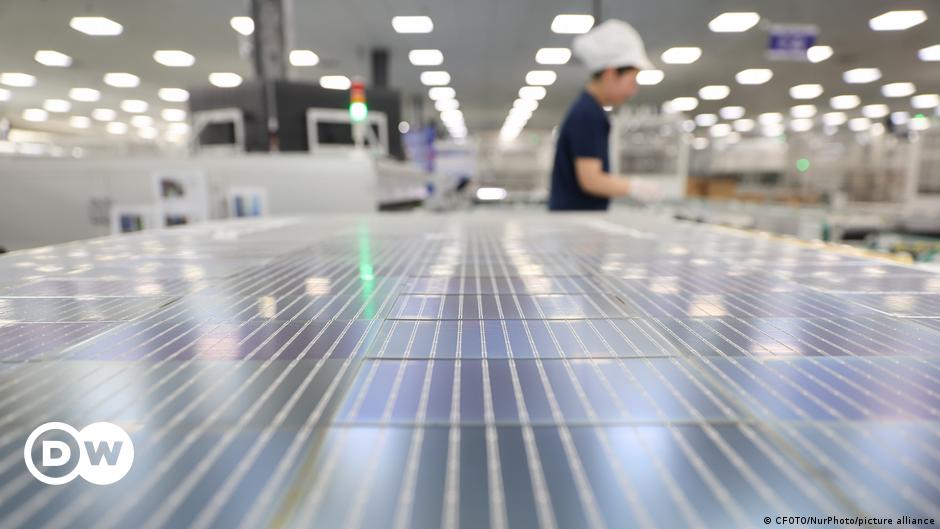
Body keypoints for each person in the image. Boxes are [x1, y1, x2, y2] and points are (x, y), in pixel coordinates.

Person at [548, 19, 656, 211]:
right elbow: (590, 180)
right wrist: (633, 187)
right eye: (632, 81)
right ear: (610, 73)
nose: (633, 91)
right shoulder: (588, 114)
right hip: (576, 221)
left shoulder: (587, 109)